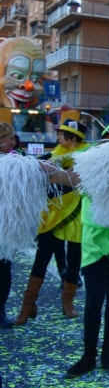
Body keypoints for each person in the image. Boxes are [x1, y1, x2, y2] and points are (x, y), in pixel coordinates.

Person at [65, 110, 109, 378]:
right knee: (94, 300)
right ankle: (88, 356)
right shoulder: (89, 161)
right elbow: (71, 179)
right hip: (95, 243)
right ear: (107, 136)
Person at [15, 114, 89, 326]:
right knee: (42, 258)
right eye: (57, 133)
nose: (58, 137)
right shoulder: (51, 157)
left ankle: (68, 302)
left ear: (73, 138)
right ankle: (27, 305)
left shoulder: (86, 157)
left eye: (62, 134)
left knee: (74, 260)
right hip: (52, 214)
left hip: (76, 213)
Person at [0, 122, 17, 328]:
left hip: (5, 226)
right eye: (10, 138)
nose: (13, 142)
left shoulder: (15, 161)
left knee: (4, 270)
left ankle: (1, 310)